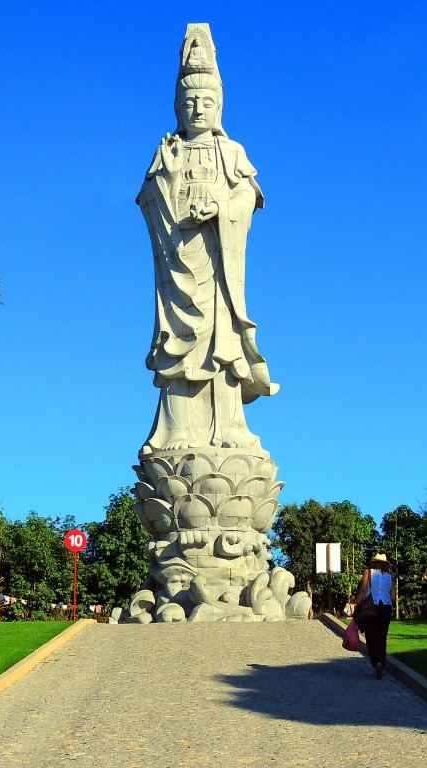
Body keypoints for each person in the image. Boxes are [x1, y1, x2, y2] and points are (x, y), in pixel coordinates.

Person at [137, 26, 278, 454]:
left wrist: (220, 208)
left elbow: (248, 197)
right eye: (189, 103)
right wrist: (167, 178)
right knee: (181, 344)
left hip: (218, 265)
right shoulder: (168, 151)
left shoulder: (231, 152)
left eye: (206, 102)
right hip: (180, 261)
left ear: (219, 106)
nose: (197, 109)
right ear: (177, 108)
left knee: (222, 344)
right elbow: (149, 200)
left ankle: (229, 426)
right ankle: (178, 429)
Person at [352, 553, 394, 678]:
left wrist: (357, 606)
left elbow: (363, 590)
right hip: (386, 607)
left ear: (374, 563)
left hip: (371, 607)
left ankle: (376, 663)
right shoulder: (390, 576)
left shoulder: (368, 573)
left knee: (371, 637)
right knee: (382, 638)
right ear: (385, 564)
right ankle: (382, 664)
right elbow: (393, 597)